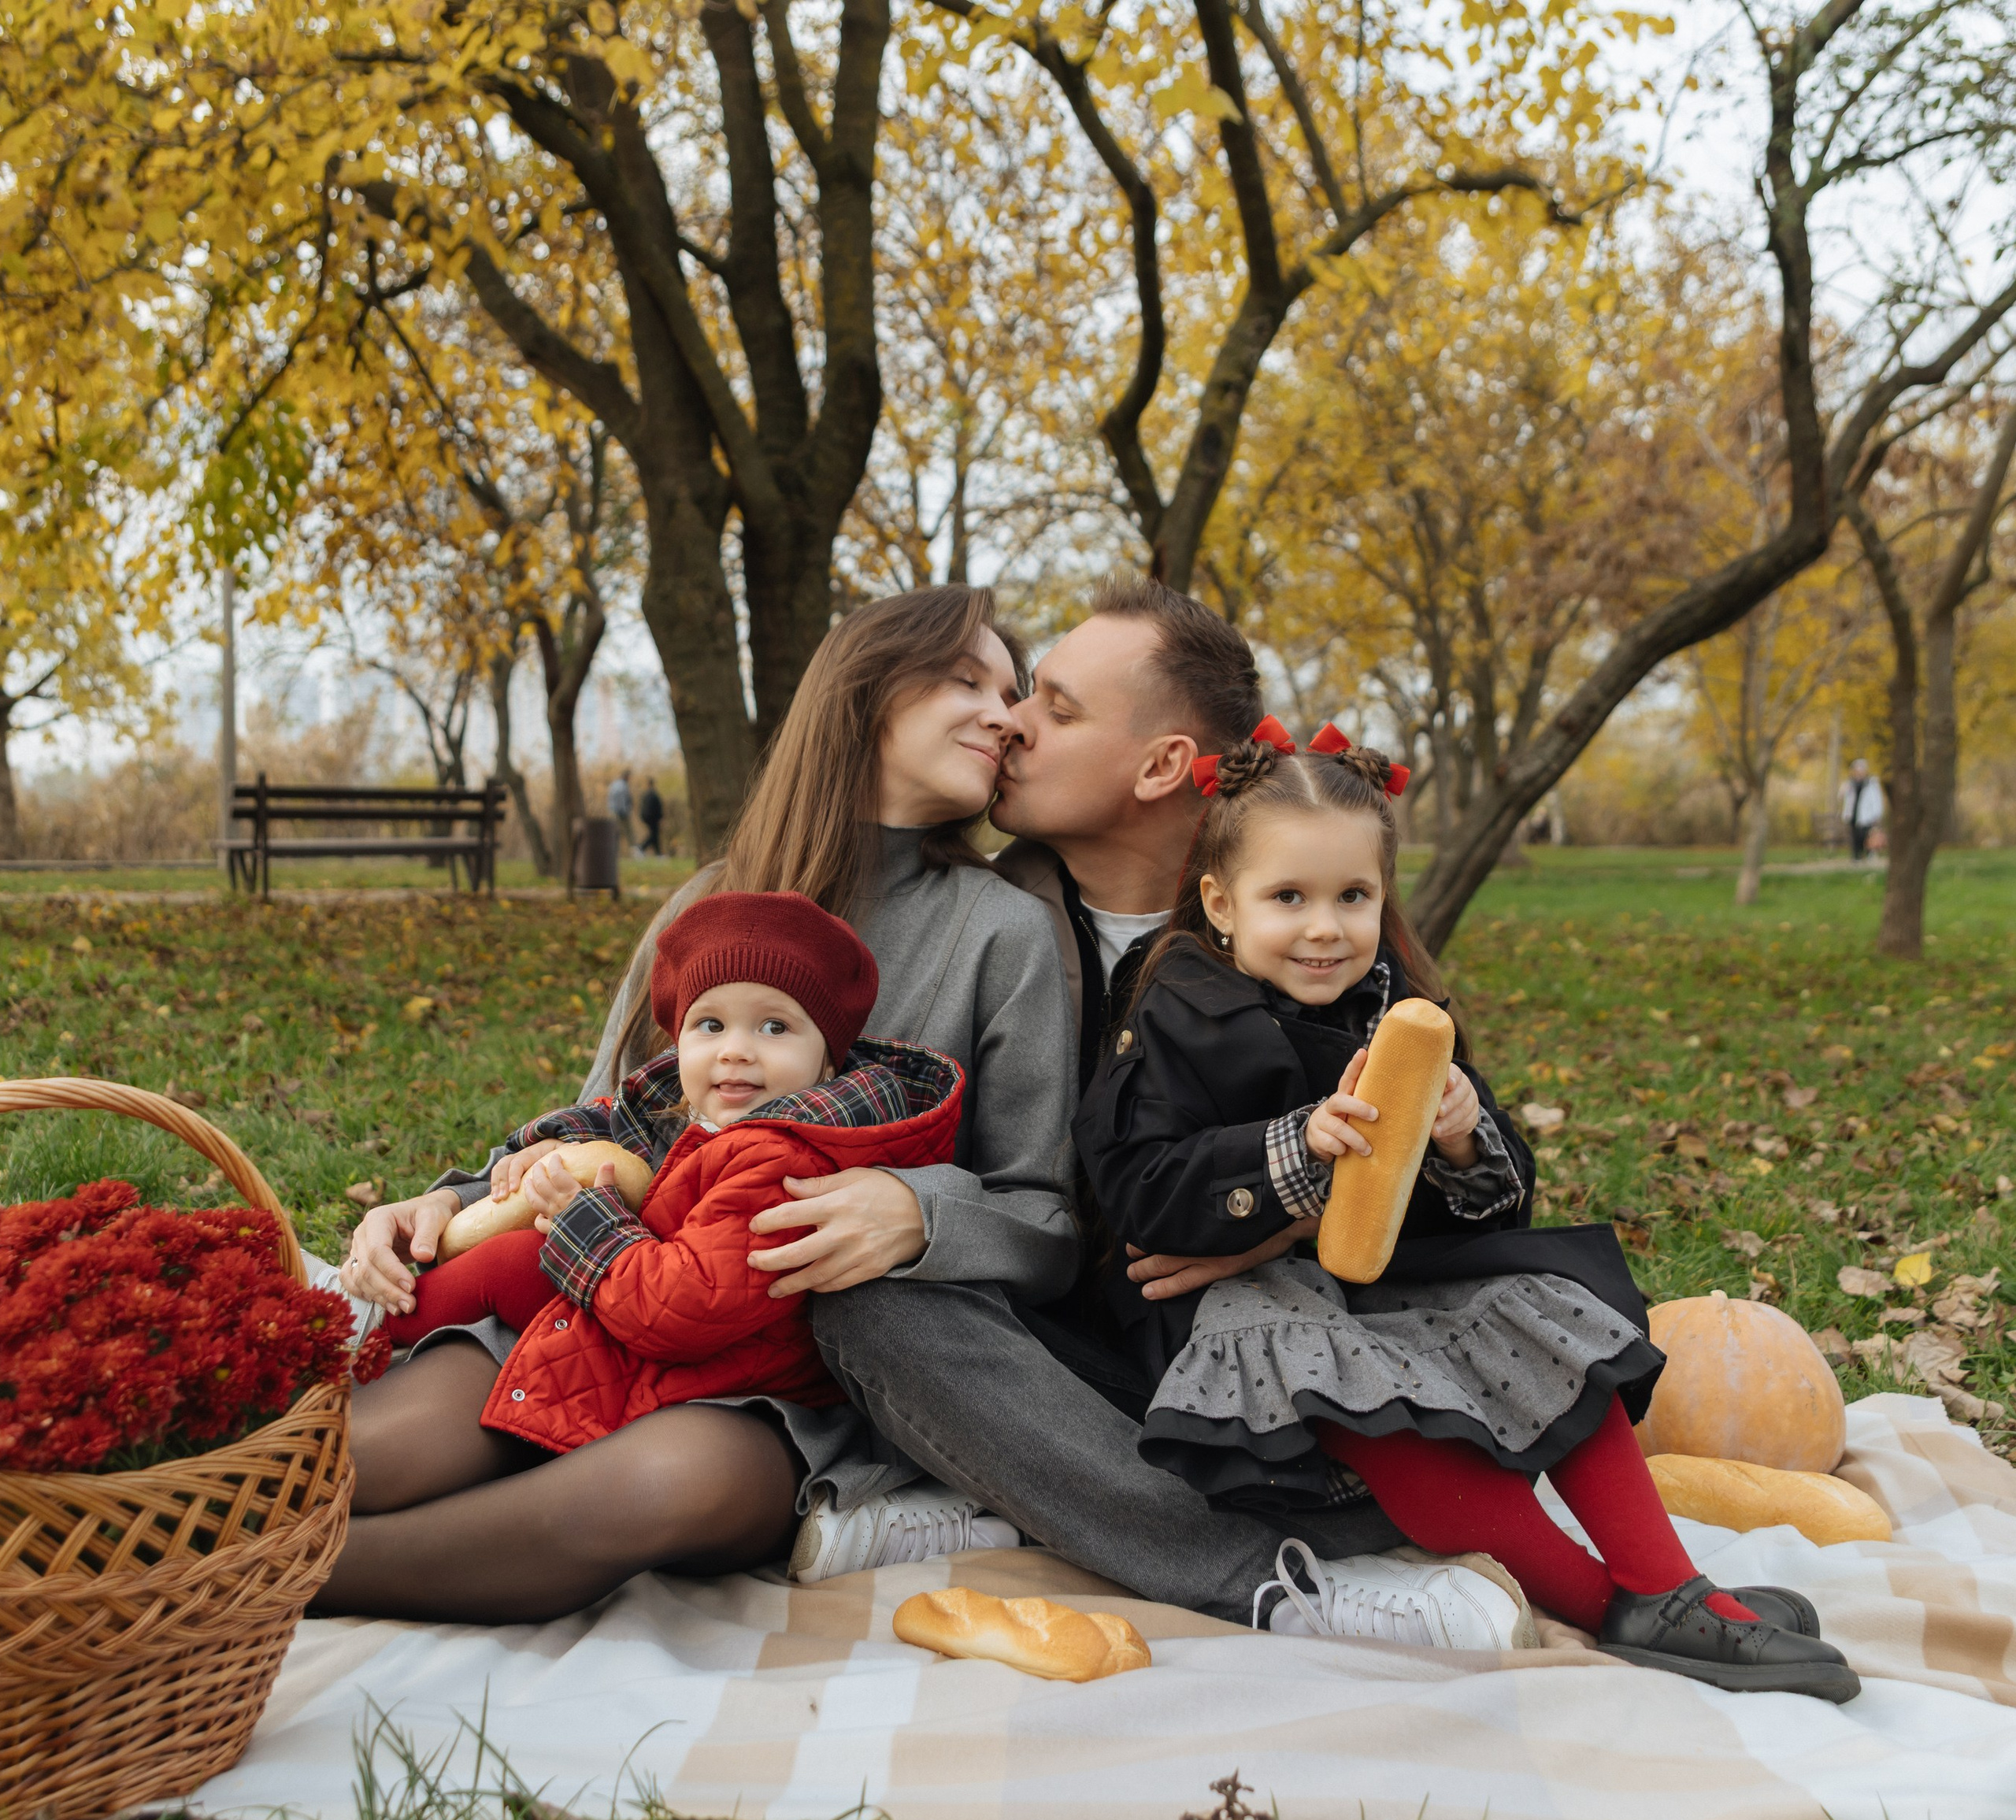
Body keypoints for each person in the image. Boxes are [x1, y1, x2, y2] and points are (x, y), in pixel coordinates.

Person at [576, 576, 1513, 1640]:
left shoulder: (1299, 912)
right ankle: (1004, 1499)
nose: (1012, 722)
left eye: (1053, 708)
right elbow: (974, 1173)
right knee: (886, 1297)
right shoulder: (1007, 907)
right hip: (1056, 1348)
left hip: (1270, 1359)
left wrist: (1280, 1208)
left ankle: (1226, 1555)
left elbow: (1466, 1176)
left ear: (1161, 765)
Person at [1073, 718, 1858, 1697]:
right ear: (1220, 903)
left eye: (1353, 897)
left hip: (1380, 1277)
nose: (1326, 927)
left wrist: (1457, 1135)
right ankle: (1603, 1603)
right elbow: (1139, 1185)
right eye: (1290, 898)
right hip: (1225, 1308)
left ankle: (1668, 1583)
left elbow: (1489, 1208)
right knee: (1345, 1374)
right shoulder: (1175, 1013)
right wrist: (1299, 1149)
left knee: (1539, 1314)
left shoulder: (1395, 1005)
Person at [327, 587, 1067, 1621]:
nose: (1006, 712)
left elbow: (1048, 1215)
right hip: (602, 1295)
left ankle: (248, 1595)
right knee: (371, 1457)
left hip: (790, 1374)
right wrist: (443, 1200)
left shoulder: (1003, 930)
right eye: (967, 680)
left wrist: (921, 1216)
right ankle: (117, 1562)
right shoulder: (708, 901)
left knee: (640, 1496)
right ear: (863, 694)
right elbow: (597, 1128)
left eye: (1013, 690)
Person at [1840, 758, 1884, 862]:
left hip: (1867, 816)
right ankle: (1856, 856)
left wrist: (1877, 815)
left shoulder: (1871, 784)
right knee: (1855, 836)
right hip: (1853, 815)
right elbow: (1843, 797)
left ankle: (1870, 854)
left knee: (1867, 836)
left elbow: (1876, 800)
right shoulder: (1850, 784)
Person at [608, 769, 635, 850]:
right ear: (626, 776)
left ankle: (614, 848)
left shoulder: (615, 784)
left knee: (616, 831)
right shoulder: (622, 785)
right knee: (627, 831)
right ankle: (633, 849)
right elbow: (622, 799)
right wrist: (625, 810)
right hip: (621, 812)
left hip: (615, 810)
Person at [639, 777, 665, 856]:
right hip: (653, 818)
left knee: (654, 835)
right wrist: (660, 818)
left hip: (647, 818)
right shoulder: (654, 795)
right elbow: (658, 808)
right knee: (654, 835)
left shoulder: (645, 795)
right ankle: (641, 847)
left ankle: (658, 853)